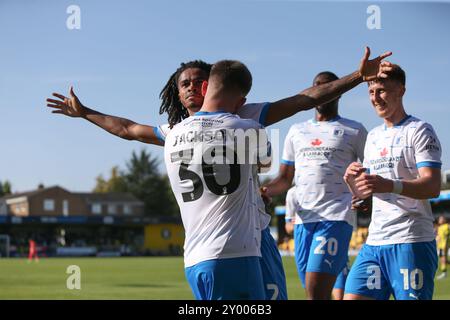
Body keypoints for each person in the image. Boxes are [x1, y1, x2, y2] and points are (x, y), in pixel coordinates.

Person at [46, 48, 391, 299]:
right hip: (231, 248)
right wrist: (87, 112)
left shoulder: (209, 124)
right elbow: (125, 128)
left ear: (212, 85)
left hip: (247, 243)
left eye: (200, 80)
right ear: (178, 94)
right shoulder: (229, 123)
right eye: (185, 83)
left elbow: (304, 98)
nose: (193, 87)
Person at [164, 59, 270, 299]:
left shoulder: (172, 134)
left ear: (204, 90)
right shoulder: (250, 128)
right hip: (234, 254)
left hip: (194, 259)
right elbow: (263, 164)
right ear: (242, 102)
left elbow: (127, 129)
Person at [262, 71, 367, 300]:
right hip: (303, 220)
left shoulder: (354, 130)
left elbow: (370, 171)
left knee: (316, 291)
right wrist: (263, 191)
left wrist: (363, 193)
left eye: (327, 87)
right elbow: (284, 179)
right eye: (316, 86)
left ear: (337, 92)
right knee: (314, 292)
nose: (321, 91)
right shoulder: (296, 131)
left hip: (336, 216)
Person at [343, 64, 442, 300]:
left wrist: (391, 185)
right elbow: (367, 198)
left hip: (411, 242)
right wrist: (354, 186)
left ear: (401, 91)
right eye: (370, 92)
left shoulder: (420, 130)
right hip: (375, 242)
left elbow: (432, 186)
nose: (375, 98)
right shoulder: (374, 136)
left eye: (382, 91)